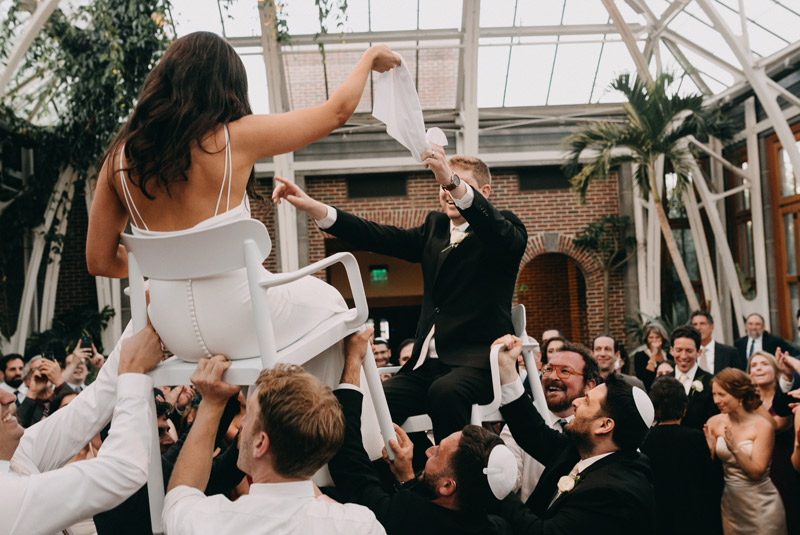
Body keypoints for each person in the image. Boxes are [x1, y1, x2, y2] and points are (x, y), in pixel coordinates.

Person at [86, 31, 400, 362]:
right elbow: (335, 113)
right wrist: (369, 57)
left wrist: (167, 264)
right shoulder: (234, 138)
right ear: (227, 86)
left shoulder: (118, 160)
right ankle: (338, 412)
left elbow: (100, 261)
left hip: (171, 330)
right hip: (245, 320)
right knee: (334, 304)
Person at [273, 148, 527, 443]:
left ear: (483, 191)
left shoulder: (504, 229)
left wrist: (450, 178)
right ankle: (404, 473)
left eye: (456, 183)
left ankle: (454, 481)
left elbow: (496, 230)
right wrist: (316, 209)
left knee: (444, 393)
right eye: (442, 185)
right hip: (423, 367)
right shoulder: (434, 229)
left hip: (475, 366)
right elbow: (378, 236)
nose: (447, 191)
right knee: (376, 402)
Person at [162, 354, 384, 535]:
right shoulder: (361, 526)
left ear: (261, 443)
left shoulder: (212, 523)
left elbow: (181, 495)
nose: (243, 423)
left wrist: (211, 403)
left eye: (248, 414)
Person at [327, 328, 510, 535]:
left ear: (447, 487)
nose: (428, 452)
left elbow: (350, 468)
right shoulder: (495, 527)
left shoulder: (409, 518)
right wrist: (406, 477)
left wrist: (353, 361)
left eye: (438, 453)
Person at [0, 325, 163, 535]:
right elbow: (123, 468)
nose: (9, 397)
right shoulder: (5, 496)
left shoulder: (16, 453)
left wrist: (142, 317)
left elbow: (91, 406)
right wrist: (133, 374)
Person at [493, 334, 656, 533]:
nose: (576, 402)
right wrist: (506, 367)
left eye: (586, 401)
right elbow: (532, 432)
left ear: (604, 425)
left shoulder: (612, 493)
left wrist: (499, 486)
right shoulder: (584, 450)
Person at [499, 341, 599, 502]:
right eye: (548, 369)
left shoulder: (597, 433)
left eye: (565, 371)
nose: (552, 377)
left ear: (589, 385)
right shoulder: (516, 427)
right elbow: (508, 481)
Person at [704, 368, 787, 535]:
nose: (716, 400)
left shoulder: (762, 426)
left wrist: (734, 448)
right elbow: (709, 470)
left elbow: (756, 473)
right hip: (730, 504)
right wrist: (710, 451)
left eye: (722, 395)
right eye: (714, 394)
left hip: (760, 503)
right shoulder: (714, 422)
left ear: (739, 395)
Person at [640, 376, 720, 535]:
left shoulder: (645, 440)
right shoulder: (695, 437)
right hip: (691, 511)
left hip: (658, 512)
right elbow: (709, 479)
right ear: (684, 408)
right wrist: (711, 451)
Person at [748, 351, 799, 533]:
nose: (758, 368)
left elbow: (777, 425)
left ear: (775, 370)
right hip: (753, 464)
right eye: (754, 366)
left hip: (782, 463)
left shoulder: (783, 397)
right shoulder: (744, 401)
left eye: (764, 364)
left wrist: (754, 400)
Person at [666, 325, 718, 430]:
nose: (683, 356)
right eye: (679, 350)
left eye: (689, 351)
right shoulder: (662, 382)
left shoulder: (711, 382)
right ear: (671, 350)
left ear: (698, 352)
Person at [632, 323, 669, 391]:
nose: (654, 340)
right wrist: (653, 355)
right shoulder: (640, 356)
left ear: (662, 339)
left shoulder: (668, 355)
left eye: (657, 337)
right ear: (647, 339)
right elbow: (645, 379)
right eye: (651, 337)